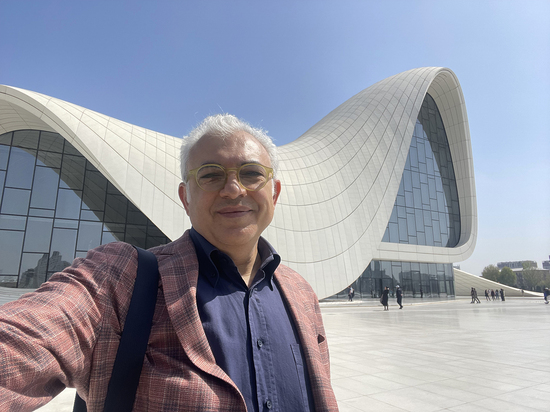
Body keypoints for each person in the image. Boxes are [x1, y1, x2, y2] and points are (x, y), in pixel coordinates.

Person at [0, 114, 339, 411]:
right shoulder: (125, 279)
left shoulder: (300, 293)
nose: (234, 189)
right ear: (185, 197)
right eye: (211, 175)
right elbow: (27, 338)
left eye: (251, 173)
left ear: (274, 193)